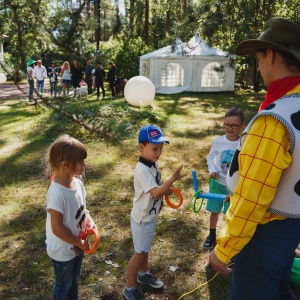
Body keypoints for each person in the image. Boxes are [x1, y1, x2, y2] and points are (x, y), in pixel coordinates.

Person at [209, 18, 300, 300]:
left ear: (270, 55)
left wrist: (224, 247)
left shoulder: (274, 119)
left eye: (259, 58)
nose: (258, 67)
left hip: (262, 232)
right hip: (290, 227)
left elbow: (254, 195)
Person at [123, 125, 186, 300]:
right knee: (140, 253)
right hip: (142, 219)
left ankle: (142, 275)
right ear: (141, 148)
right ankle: (129, 288)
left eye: (161, 148)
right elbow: (156, 192)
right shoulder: (142, 170)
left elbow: (158, 188)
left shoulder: (152, 163)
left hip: (149, 216)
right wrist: (172, 180)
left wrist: (167, 190)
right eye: (155, 148)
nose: (159, 152)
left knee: (145, 249)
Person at [45, 134, 97, 299]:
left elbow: (83, 210)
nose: (84, 164)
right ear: (65, 165)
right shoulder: (57, 193)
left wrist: (89, 221)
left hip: (77, 246)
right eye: (81, 161)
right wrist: (80, 243)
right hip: (62, 251)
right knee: (64, 284)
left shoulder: (78, 183)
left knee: (74, 281)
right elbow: (57, 228)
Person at [203, 108, 245, 250]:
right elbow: (210, 157)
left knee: (230, 214)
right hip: (218, 184)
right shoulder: (219, 141)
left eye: (234, 125)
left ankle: (227, 237)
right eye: (227, 124)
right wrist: (212, 170)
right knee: (214, 211)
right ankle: (212, 234)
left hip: (233, 188)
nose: (229, 128)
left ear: (242, 126)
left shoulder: (244, 143)